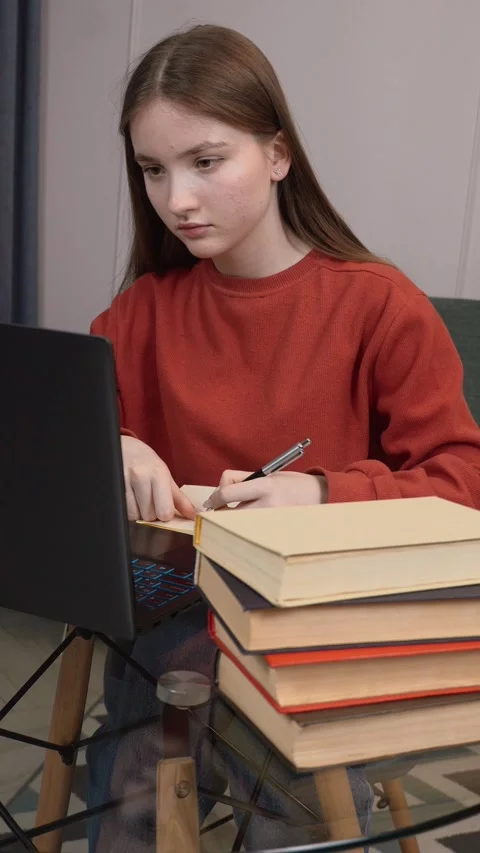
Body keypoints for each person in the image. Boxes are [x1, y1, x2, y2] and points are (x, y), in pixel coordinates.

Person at [86, 22, 480, 852]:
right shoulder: (140, 313)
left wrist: (320, 491)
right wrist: (111, 442)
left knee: (275, 773)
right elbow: (50, 438)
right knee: (134, 770)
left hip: (315, 624)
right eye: (152, 170)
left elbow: (461, 480)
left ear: (277, 154)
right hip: (176, 612)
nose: (176, 200)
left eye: (205, 161)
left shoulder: (378, 304)